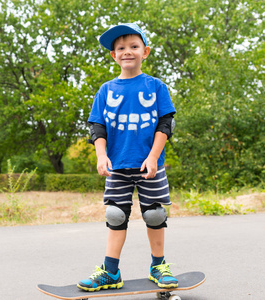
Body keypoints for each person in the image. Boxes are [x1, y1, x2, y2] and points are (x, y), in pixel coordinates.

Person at [77, 23, 178, 292]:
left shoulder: (156, 86)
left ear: (145, 52)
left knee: (155, 215)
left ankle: (159, 266)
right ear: (113, 55)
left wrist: (154, 156)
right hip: (117, 165)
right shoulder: (106, 90)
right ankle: (110, 272)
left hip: (150, 165)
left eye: (133, 47)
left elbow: (165, 124)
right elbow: (97, 127)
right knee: (115, 215)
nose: (127, 52)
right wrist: (101, 156)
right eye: (120, 48)